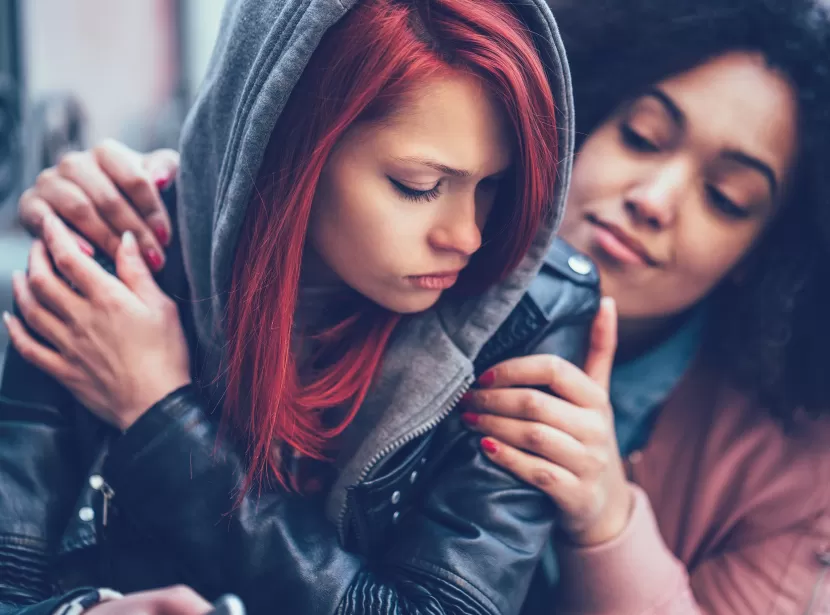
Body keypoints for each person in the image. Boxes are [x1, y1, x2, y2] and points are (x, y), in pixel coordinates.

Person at [24, 0, 830, 612]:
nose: (655, 199)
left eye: (727, 198)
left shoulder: (790, 472)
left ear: (772, 259)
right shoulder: (138, 235)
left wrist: (608, 518)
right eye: (643, 137)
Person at [0, 0, 598, 614]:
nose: (468, 237)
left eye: (494, 185)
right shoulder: (119, 256)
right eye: (418, 186)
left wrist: (159, 414)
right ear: (284, 140)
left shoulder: (530, 314)